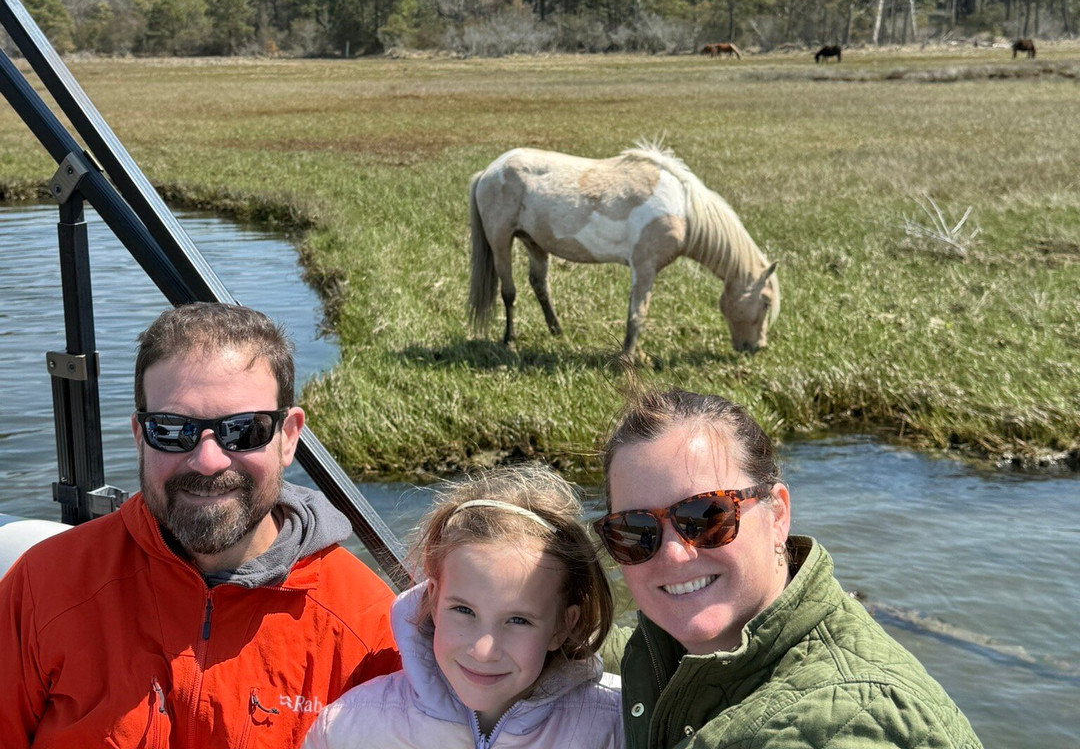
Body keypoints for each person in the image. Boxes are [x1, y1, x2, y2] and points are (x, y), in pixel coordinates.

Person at [0, 302, 401, 749]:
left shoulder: (368, 630)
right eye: (172, 429)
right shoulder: (42, 588)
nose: (208, 461)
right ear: (139, 437)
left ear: (288, 437)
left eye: (245, 430)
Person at [593, 388, 983, 749]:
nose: (675, 553)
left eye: (706, 516)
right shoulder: (665, 649)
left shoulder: (842, 722)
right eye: (635, 530)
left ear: (777, 514)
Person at [301, 464, 624, 749]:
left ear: (562, 626)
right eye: (464, 611)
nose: (483, 650)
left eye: (518, 620)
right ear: (433, 600)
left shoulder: (616, 727)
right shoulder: (349, 728)